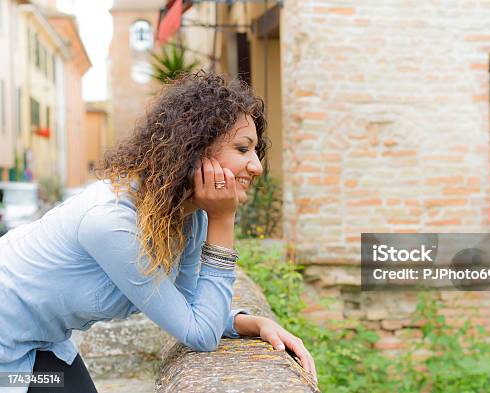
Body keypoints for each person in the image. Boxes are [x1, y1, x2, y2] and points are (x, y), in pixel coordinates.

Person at [0, 72, 317, 392]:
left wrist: (253, 323)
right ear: (195, 148)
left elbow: (194, 305)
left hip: (37, 342)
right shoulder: (111, 222)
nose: (257, 166)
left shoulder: (186, 218)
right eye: (242, 149)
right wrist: (224, 219)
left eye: (255, 151)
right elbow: (200, 334)